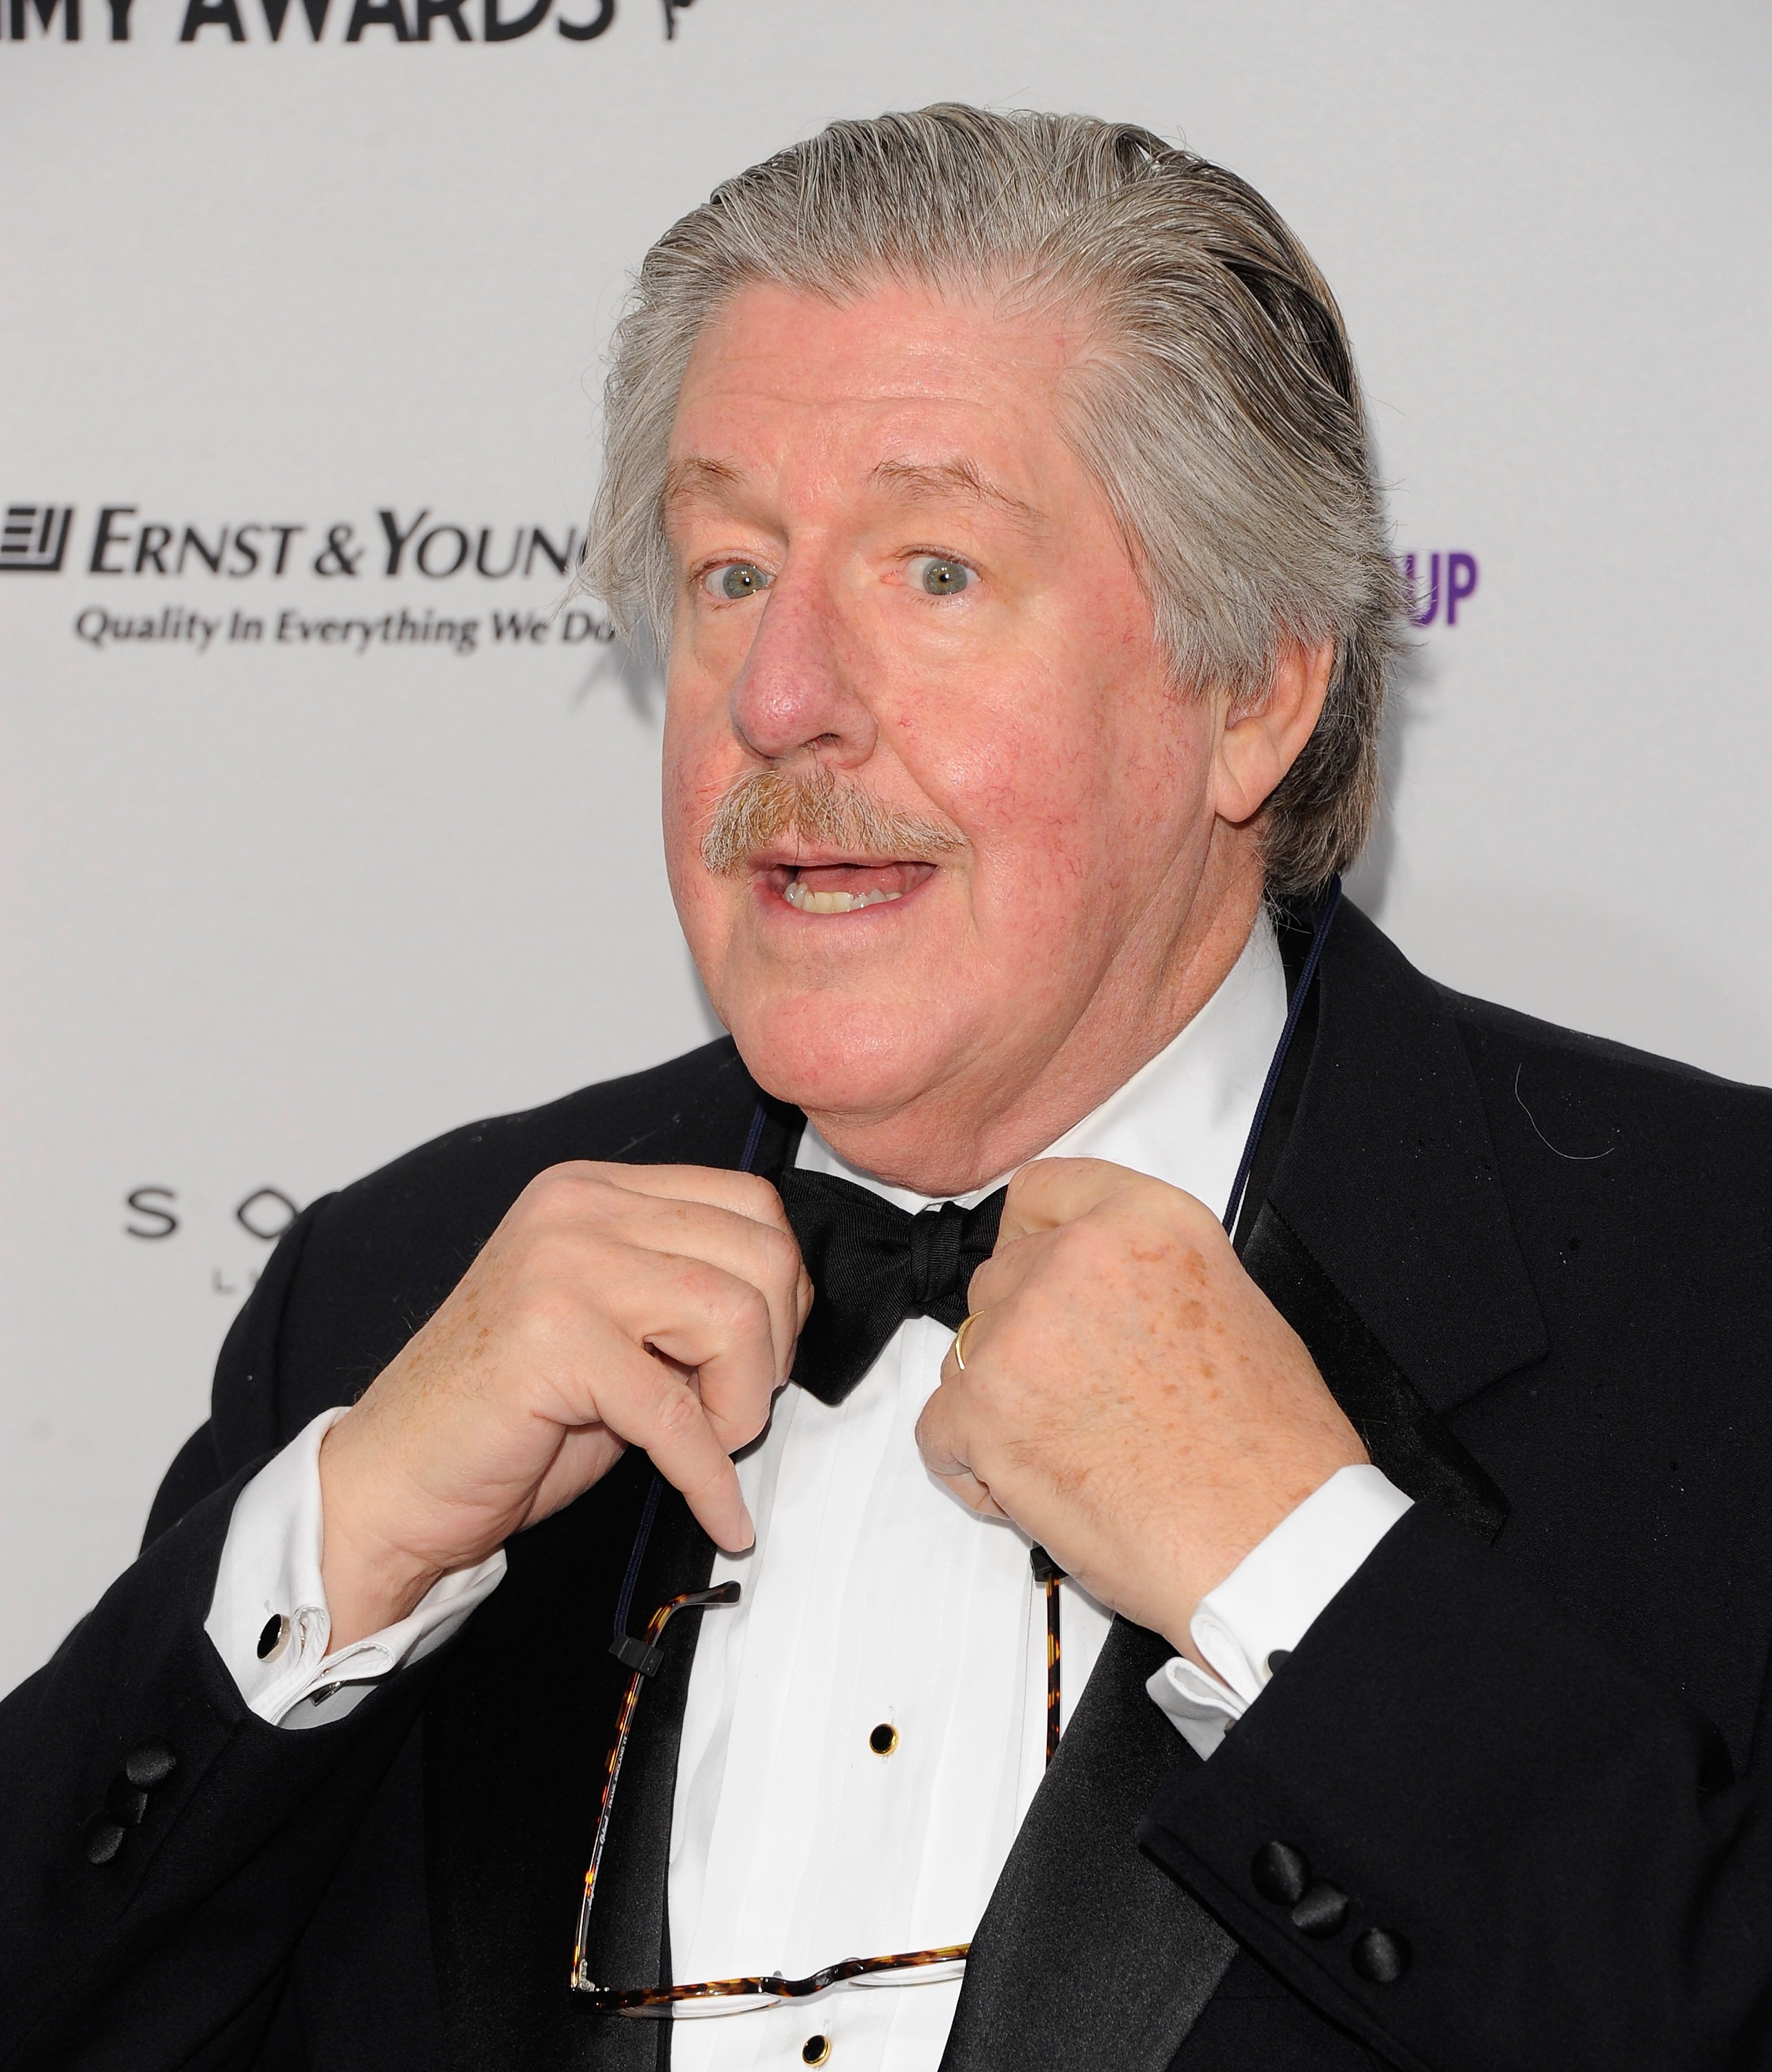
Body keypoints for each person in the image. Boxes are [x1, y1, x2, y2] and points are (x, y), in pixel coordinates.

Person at [4, 104, 1771, 2072]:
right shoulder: (392, 1290)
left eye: (936, 570)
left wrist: (1306, 1588)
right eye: (732, 569)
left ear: (1255, 687)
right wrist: (326, 1571)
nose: (778, 699)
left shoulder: (1721, 1292)